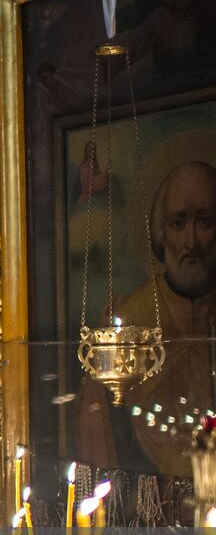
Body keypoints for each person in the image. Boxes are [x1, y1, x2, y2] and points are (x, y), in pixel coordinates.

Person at [73, 160, 216, 477]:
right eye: (178, 223)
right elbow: (97, 419)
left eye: (205, 221)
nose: (191, 242)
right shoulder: (131, 317)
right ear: (160, 233)